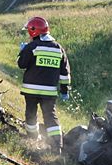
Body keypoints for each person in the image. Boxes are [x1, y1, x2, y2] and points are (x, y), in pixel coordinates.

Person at [17, 16, 71, 153]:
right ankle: (57, 146)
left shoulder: (32, 47)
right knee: (50, 117)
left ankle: (32, 138)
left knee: (31, 114)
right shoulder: (59, 49)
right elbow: (65, 74)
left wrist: (23, 51)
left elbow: (21, 64)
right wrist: (64, 90)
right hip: (49, 92)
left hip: (31, 91)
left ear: (33, 31)